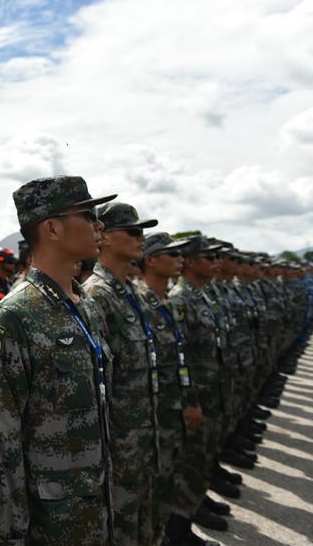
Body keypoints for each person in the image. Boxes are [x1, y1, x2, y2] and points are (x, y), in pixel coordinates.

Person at [0, 175, 115, 544]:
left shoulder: (84, 304)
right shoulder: (14, 316)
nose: (99, 225)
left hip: (96, 505)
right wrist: (9, 534)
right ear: (52, 227)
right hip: (49, 522)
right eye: (88, 215)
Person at [82, 202, 160, 546]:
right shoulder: (98, 294)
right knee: (120, 527)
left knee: (142, 518)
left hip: (139, 433)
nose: (141, 238)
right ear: (107, 238)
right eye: (133, 231)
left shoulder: (125, 288)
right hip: (117, 440)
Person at [137, 233, 208, 544]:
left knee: (172, 476)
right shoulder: (141, 302)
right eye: (171, 253)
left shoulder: (165, 301)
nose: (180, 259)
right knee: (156, 484)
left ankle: (175, 529)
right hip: (153, 414)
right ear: (151, 259)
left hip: (173, 406)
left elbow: (181, 354)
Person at [168, 235, 230, 539]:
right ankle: (180, 522)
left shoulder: (201, 295)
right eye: (209, 258)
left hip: (211, 389)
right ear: (190, 261)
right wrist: (190, 397)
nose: (215, 264)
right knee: (191, 459)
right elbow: (181, 355)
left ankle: (195, 504)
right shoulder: (180, 299)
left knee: (203, 455)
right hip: (196, 394)